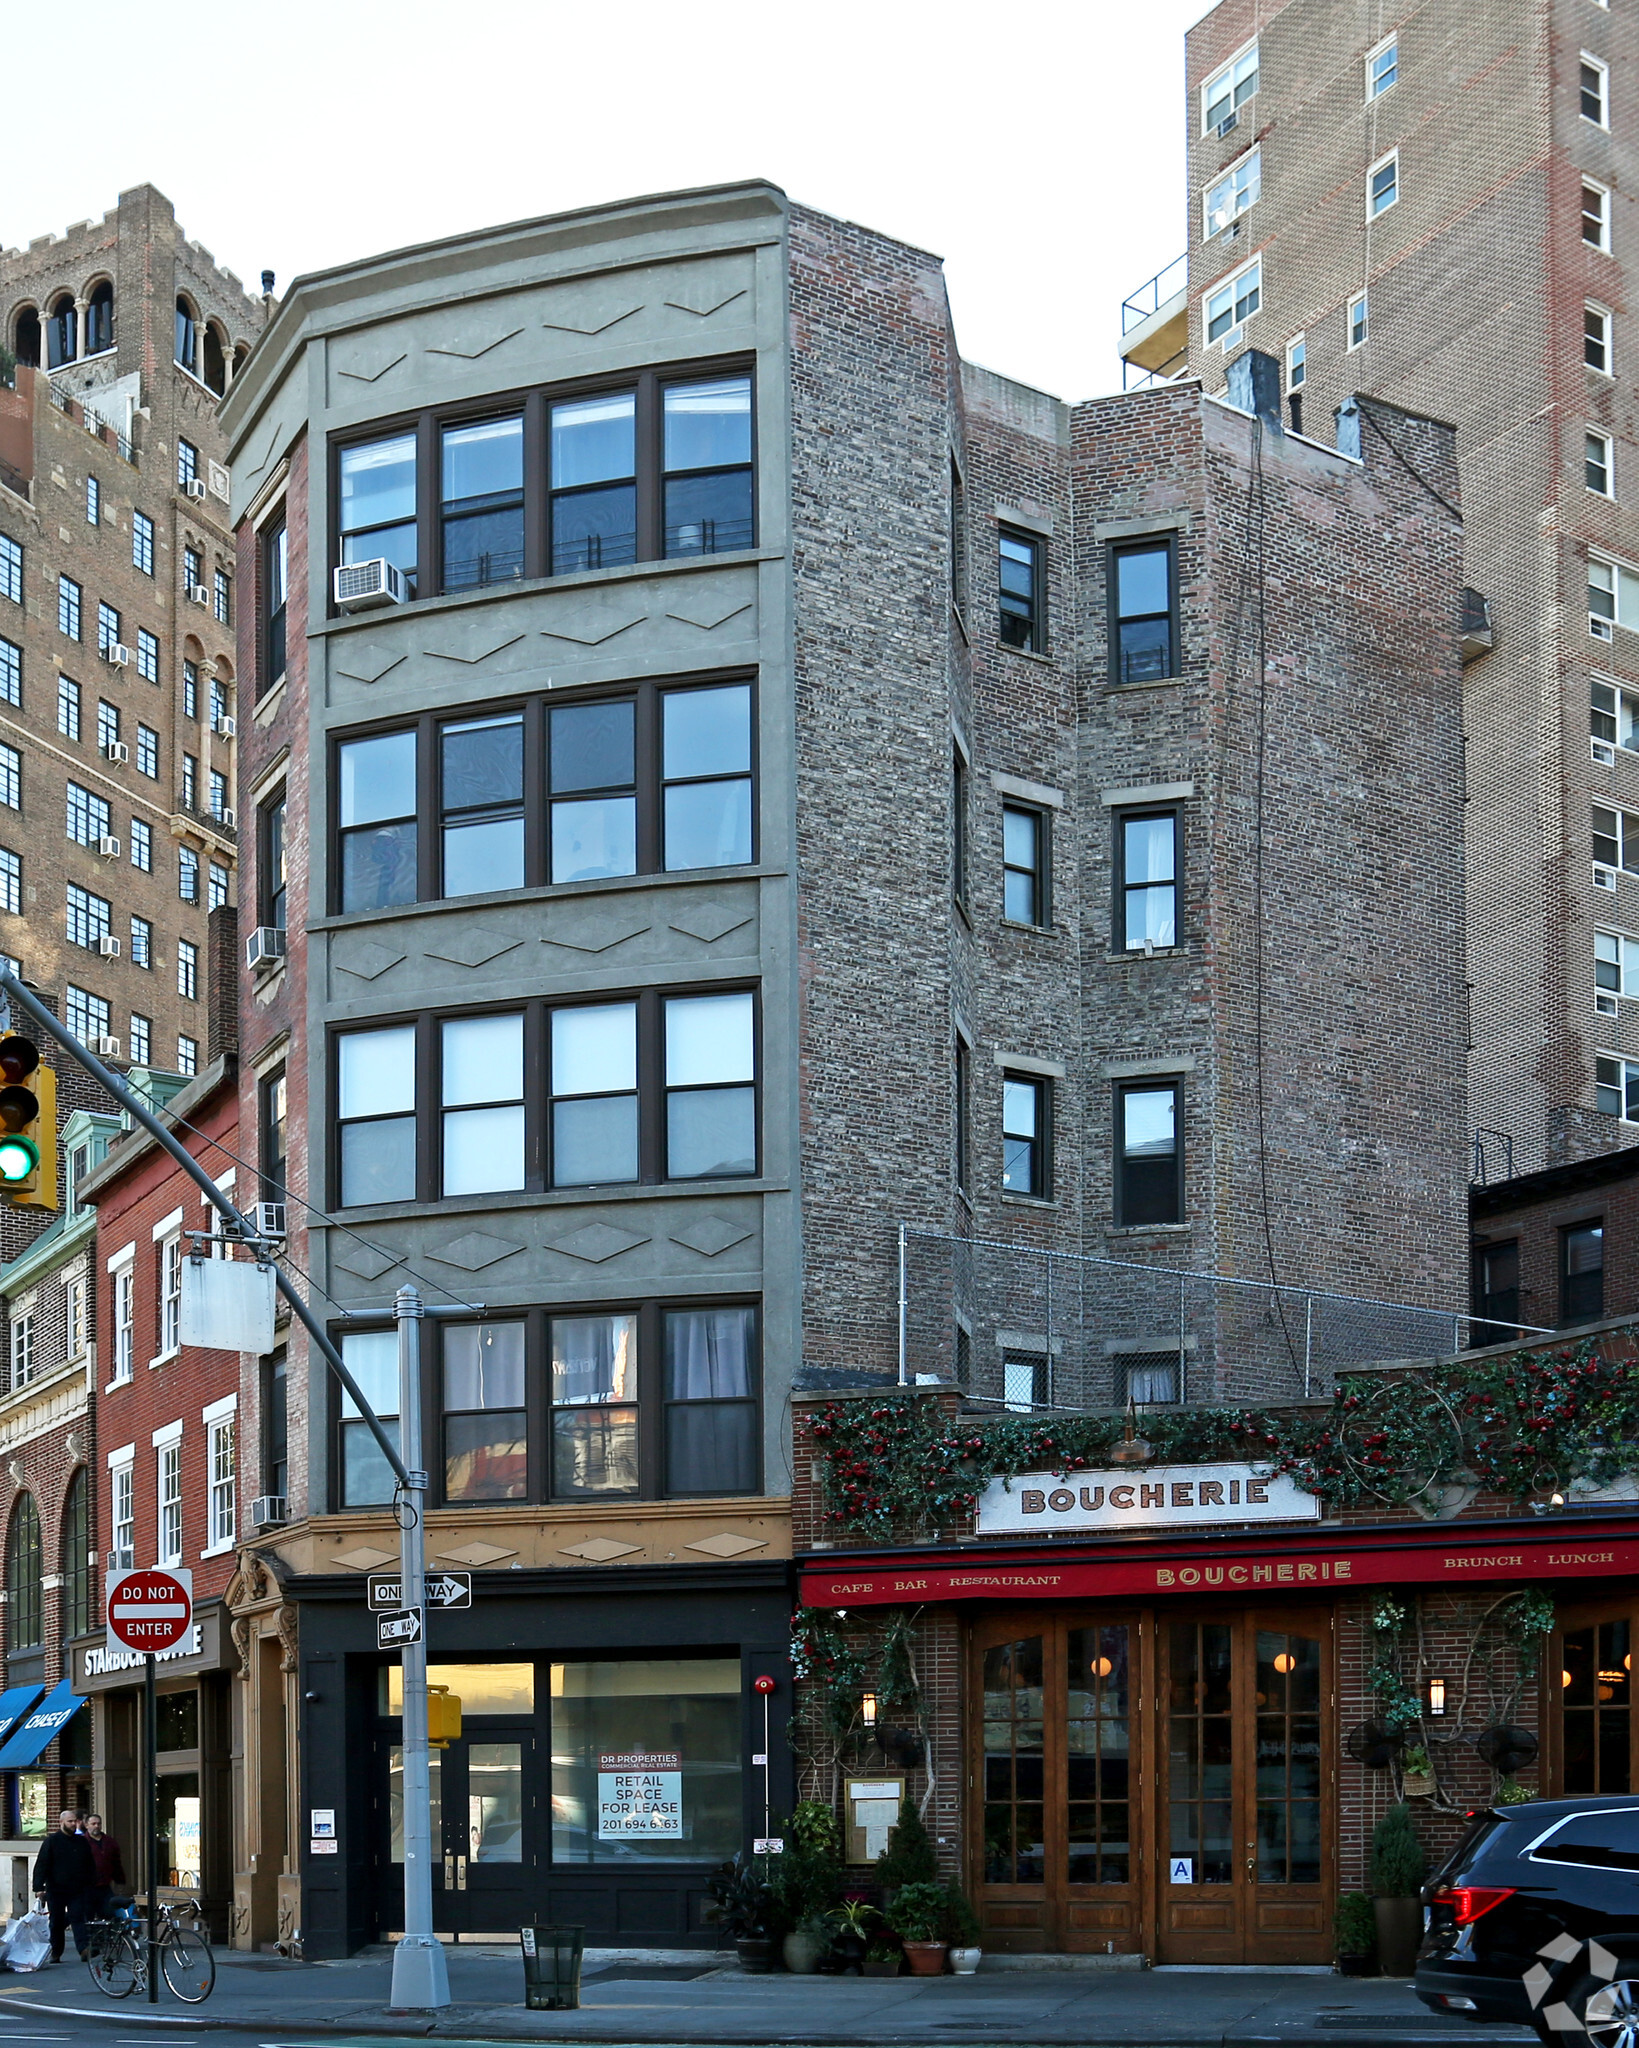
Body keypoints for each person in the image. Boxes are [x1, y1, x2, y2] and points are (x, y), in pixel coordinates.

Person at [32, 1808, 94, 1964]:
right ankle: (56, 1952)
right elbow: (42, 1865)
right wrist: (39, 1887)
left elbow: (89, 1864)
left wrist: (91, 1881)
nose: (73, 1824)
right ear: (61, 1822)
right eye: (70, 1821)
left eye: (75, 1821)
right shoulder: (52, 1841)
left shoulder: (81, 1842)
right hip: (56, 1888)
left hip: (77, 1888)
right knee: (57, 1921)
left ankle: (83, 1949)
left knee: (78, 1917)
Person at [83, 1814, 125, 1923]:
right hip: (87, 1887)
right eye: (93, 1824)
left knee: (109, 1914)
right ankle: (90, 1939)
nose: (96, 1826)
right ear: (86, 1825)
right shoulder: (81, 1842)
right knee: (87, 1917)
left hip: (105, 1887)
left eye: (98, 1823)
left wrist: (120, 1882)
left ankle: (106, 1939)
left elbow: (116, 1863)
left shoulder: (110, 1842)